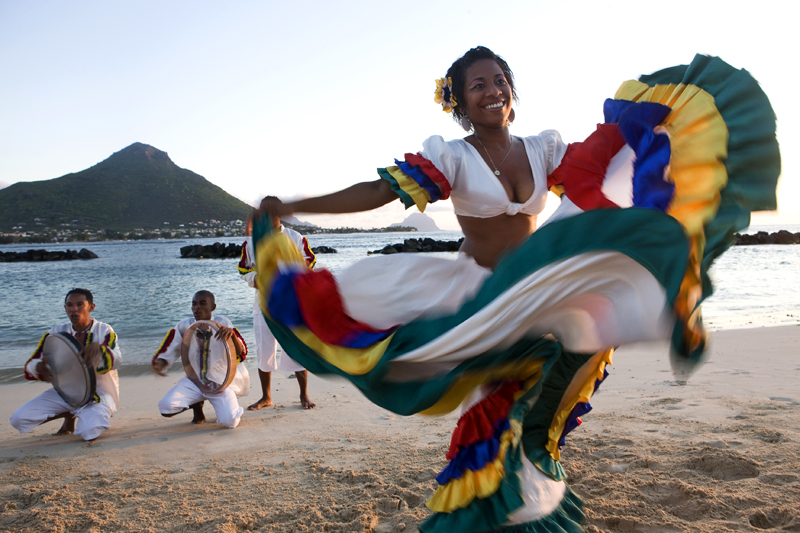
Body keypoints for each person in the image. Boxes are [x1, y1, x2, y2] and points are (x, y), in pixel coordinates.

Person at [251, 47, 779, 532]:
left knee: (548, 391)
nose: (492, 90)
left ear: (512, 90)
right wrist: (298, 207)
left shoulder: (541, 148)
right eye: (477, 84)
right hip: (477, 296)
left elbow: (598, 165)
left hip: (539, 289)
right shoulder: (452, 156)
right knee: (496, 409)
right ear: (459, 99)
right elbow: (377, 192)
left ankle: (528, 500)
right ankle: (505, 512)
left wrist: (653, 132)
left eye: (499, 80)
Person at [10, 288, 122, 441]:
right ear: (65, 308)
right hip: (65, 393)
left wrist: (100, 351)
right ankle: (69, 415)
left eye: (80, 304)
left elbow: (117, 360)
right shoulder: (56, 333)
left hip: (98, 395)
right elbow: (32, 363)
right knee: (18, 419)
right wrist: (38, 367)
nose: (74, 310)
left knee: (90, 432)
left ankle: (80, 415)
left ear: (91, 307)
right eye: (69, 305)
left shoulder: (104, 330)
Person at [239, 218, 317, 410]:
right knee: (264, 349)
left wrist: (293, 275)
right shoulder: (251, 242)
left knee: (296, 347)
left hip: (291, 302)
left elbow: (310, 259)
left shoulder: (295, 237)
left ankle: (303, 395)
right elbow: (243, 268)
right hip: (263, 303)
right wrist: (255, 278)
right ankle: (266, 397)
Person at [152, 290, 250, 429]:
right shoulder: (184, 326)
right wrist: (161, 362)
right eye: (194, 304)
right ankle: (197, 406)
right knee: (166, 408)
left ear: (213, 307)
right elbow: (171, 346)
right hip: (195, 381)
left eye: (203, 304)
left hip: (220, 383)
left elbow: (242, 351)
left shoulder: (223, 322)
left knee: (230, 422)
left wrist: (232, 335)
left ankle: (224, 405)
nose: (197, 307)